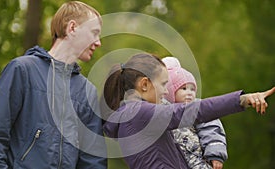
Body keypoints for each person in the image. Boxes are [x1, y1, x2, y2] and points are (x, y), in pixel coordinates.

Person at [0, 1, 107, 169]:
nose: (98, 42)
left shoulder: (87, 91)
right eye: (94, 33)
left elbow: (93, 161)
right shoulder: (22, 70)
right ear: (72, 28)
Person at [101, 53, 275, 169]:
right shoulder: (139, 113)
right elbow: (193, 111)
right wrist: (241, 100)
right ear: (144, 84)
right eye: (163, 84)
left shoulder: (131, 116)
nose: (166, 91)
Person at [162, 56, 227, 169]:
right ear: (170, 91)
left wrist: (215, 153)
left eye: (192, 89)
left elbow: (211, 128)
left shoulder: (197, 108)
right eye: (184, 89)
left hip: (198, 162)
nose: (189, 93)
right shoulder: (161, 111)